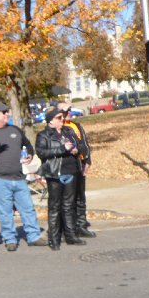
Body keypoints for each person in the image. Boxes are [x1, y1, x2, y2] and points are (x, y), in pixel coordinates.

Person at [0, 103, 48, 252]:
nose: (7, 114)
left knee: (28, 209)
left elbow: (27, 144)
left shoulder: (15, 130)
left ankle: (33, 236)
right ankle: (10, 239)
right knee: (5, 212)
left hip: (19, 178)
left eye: (7, 112)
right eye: (4, 112)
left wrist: (30, 153)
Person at [35, 107, 87, 250]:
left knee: (69, 205)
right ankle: (54, 238)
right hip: (55, 174)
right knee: (54, 206)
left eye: (62, 117)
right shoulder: (44, 135)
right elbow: (41, 152)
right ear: (51, 120)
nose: (62, 120)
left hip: (71, 171)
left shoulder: (68, 132)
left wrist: (77, 150)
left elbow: (81, 145)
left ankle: (71, 235)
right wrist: (62, 149)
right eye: (59, 118)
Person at [56, 102, 95, 238]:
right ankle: (69, 226)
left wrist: (87, 160)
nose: (70, 113)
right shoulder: (60, 128)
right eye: (66, 111)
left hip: (80, 164)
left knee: (80, 197)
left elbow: (84, 144)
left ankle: (81, 224)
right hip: (67, 168)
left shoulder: (76, 125)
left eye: (70, 110)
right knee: (68, 199)